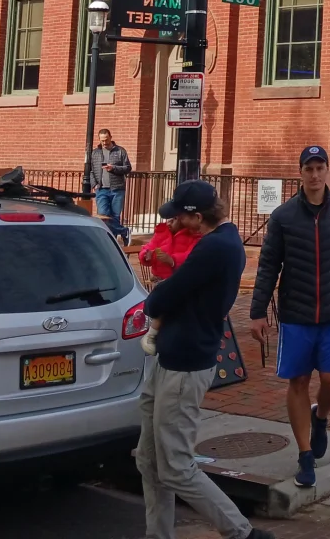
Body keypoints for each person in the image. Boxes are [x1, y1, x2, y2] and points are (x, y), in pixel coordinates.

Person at [137, 181, 275, 539]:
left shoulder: (216, 247)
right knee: (149, 460)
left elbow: (163, 296)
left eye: (181, 216)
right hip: (171, 356)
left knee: (176, 467)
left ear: (197, 217)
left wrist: (155, 300)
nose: (176, 222)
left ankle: (243, 533)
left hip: (186, 363)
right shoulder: (222, 241)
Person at [249, 146, 330, 489]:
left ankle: (321, 417)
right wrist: (258, 311)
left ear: (327, 170)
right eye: (309, 168)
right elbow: (268, 265)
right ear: (301, 172)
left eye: (320, 168)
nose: (315, 174)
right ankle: (305, 455)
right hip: (295, 314)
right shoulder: (283, 216)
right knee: (299, 381)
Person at [138, 208, 203, 355]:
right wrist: (146, 255)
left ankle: (153, 334)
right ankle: (152, 335)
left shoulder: (193, 236)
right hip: (160, 278)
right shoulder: (161, 233)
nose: (169, 223)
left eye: (173, 220)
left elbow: (191, 257)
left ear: (182, 220)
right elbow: (148, 247)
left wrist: (172, 260)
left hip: (177, 278)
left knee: (171, 306)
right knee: (164, 306)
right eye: (168, 219)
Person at [88, 128, 132, 244]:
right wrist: (94, 184)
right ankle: (124, 231)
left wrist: (113, 168)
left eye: (106, 140)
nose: (104, 143)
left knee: (115, 216)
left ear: (111, 138)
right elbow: (91, 171)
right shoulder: (95, 153)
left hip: (117, 189)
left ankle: (112, 242)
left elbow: (128, 168)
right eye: (102, 140)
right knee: (103, 216)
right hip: (101, 189)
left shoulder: (120, 151)